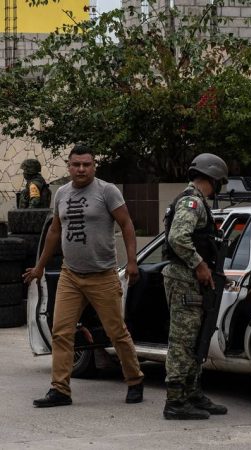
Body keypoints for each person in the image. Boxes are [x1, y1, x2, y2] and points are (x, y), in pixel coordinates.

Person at [23, 143, 144, 408]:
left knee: (116, 332)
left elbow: (126, 224)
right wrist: (40, 266)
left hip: (103, 274)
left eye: (86, 164)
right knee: (61, 332)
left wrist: (132, 262)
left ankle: (135, 380)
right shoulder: (61, 194)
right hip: (71, 275)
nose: (81, 169)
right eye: (76, 164)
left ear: (93, 166)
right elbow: (55, 231)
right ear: (68, 166)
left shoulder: (107, 191)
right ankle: (60, 390)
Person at [162, 153, 228, 420]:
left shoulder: (196, 201)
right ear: (213, 177)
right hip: (184, 279)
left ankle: (192, 393)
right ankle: (175, 401)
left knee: (196, 339)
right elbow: (178, 237)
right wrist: (199, 265)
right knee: (182, 341)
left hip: (190, 280)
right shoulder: (192, 202)